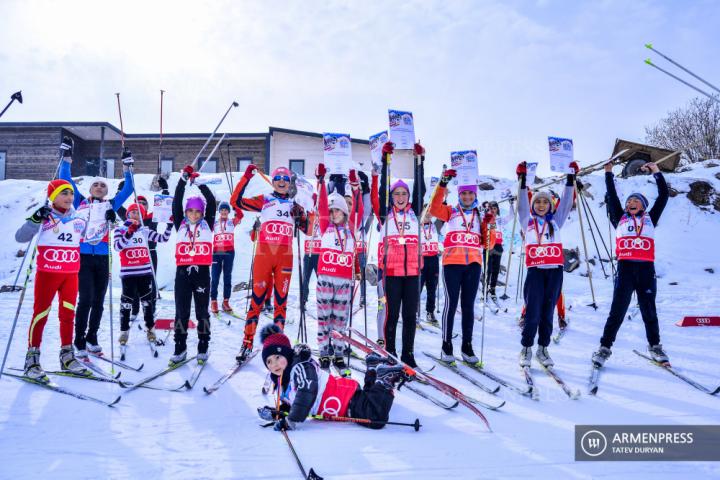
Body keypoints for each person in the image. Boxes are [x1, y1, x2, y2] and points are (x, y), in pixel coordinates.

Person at [256, 325, 413, 431]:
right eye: (268, 361)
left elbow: (306, 392)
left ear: (287, 354)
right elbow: (294, 402)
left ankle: (385, 380)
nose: (274, 364)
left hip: (344, 399)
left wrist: (292, 420)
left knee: (376, 418)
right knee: (367, 399)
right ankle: (373, 368)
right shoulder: (284, 379)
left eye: (277, 357)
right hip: (342, 400)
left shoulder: (300, 366)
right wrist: (278, 413)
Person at [58, 139, 134, 357]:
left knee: (99, 300)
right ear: (90, 189)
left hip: (102, 257)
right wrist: (67, 159)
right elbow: (66, 181)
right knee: (86, 298)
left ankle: (92, 336)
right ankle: (79, 339)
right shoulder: (80, 200)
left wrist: (127, 167)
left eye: (103, 185)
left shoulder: (111, 205)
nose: (100, 187)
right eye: (96, 185)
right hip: (82, 256)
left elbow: (129, 189)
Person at [592, 161, 669, 366]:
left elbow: (663, 196)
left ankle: (655, 346)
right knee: (617, 310)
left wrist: (656, 172)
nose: (631, 203)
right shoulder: (620, 219)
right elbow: (613, 196)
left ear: (643, 205)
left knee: (648, 309)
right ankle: (604, 347)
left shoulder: (651, 218)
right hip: (625, 269)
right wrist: (608, 173)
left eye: (636, 200)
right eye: (629, 201)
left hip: (645, 269)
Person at [231, 164, 311, 362]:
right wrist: (246, 177)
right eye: (278, 178)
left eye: (285, 178)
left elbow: (309, 230)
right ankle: (247, 343)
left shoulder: (295, 205)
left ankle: (278, 344)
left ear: (289, 182)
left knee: (280, 303)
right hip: (264, 255)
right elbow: (236, 201)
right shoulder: (265, 200)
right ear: (273, 182)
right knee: (257, 301)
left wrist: (307, 210)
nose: (282, 181)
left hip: (284, 256)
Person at [16, 177, 89, 381]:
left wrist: (108, 220)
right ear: (53, 197)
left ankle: (67, 355)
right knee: (41, 314)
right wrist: (35, 219)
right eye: (64, 193)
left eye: (71, 193)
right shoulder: (44, 216)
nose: (69, 197)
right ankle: (32, 359)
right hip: (48, 274)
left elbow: (92, 237)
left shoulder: (79, 219)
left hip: (70, 275)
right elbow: (20, 237)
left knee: (68, 315)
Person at [516, 160, 578, 368]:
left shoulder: (556, 221)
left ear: (550, 205)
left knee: (548, 312)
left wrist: (570, 178)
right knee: (532, 311)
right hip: (535, 272)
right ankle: (526, 348)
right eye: (538, 202)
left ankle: (543, 348)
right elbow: (522, 203)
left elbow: (568, 201)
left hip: (554, 272)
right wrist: (523, 180)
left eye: (545, 202)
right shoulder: (527, 221)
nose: (541, 205)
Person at [370, 142, 426, 367]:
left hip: (412, 272)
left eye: (404, 193)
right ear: (391, 196)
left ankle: (408, 355)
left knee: (410, 317)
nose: (400, 196)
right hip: (390, 271)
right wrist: (386, 159)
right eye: (397, 193)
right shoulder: (385, 214)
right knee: (391, 315)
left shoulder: (415, 213)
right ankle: (390, 352)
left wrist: (419, 161)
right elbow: (383, 187)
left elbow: (421, 189)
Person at [429, 169, 492, 363]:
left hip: (473, 265)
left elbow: (487, 244)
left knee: (468, 306)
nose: (467, 196)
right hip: (452, 265)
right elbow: (433, 209)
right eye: (463, 193)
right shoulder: (451, 211)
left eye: (470, 193)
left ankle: (467, 346)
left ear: (475, 194)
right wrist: (443, 183)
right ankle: (446, 345)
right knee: (451, 304)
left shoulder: (480, 215)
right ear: (459, 195)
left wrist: (489, 226)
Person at [313, 164, 362, 372]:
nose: (333, 213)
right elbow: (322, 206)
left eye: (337, 210)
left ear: (344, 211)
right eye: (331, 211)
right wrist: (322, 182)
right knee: (324, 319)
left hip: (343, 281)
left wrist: (354, 185)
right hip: (325, 278)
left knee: (340, 319)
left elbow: (358, 207)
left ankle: (339, 353)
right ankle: (324, 352)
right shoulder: (325, 226)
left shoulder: (351, 228)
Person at [169, 165, 217, 365]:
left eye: (198, 211)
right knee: (181, 311)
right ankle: (180, 347)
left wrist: (199, 183)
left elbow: (212, 202)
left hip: (202, 272)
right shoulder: (180, 222)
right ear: (186, 211)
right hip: (182, 273)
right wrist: (183, 179)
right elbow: (175, 201)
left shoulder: (208, 223)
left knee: (202, 311)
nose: (194, 214)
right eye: (191, 210)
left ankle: (203, 344)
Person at [114, 202, 172, 346]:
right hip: (128, 273)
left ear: (142, 216)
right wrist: (129, 232)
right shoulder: (120, 229)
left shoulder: (145, 230)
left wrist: (169, 226)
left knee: (147, 303)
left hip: (144, 272)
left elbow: (163, 238)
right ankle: (124, 331)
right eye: (132, 212)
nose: (135, 214)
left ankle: (150, 328)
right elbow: (117, 247)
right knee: (126, 303)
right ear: (127, 214)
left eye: (138, 213)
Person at [210, 201, 241, 315]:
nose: (224, 212)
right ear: (219, 212)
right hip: (217, 252)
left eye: (226, 210)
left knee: (227, 277)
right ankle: (213, 301)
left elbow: (240, 215)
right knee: (215, 277)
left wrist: (235, 206)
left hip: (229, 252)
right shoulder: (215, 223)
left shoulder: (232, 222)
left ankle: (226, 301)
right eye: (222, 210)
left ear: (228, 211)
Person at [485, 199, 515, 301]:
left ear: (497, 209)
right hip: (488, 245)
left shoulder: (500, 219)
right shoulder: (486, 218)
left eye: (495, 208)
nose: (493, 210)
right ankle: (485, 287)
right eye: (491, 208)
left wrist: (511, 204)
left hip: (498, 245)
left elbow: (511, 216)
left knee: (496, 269)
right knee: (487, 269)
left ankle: (492, 288)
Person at [419, 209, 441, 325]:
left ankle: (430, 312)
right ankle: (413, 310)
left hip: (433, 260)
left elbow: (442, 211)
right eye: (426, 212)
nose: (428, 214)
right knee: (417, 287)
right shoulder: (416, 226)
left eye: (430, 212)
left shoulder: (436, 225)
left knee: (432, 288)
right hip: (421, 260)